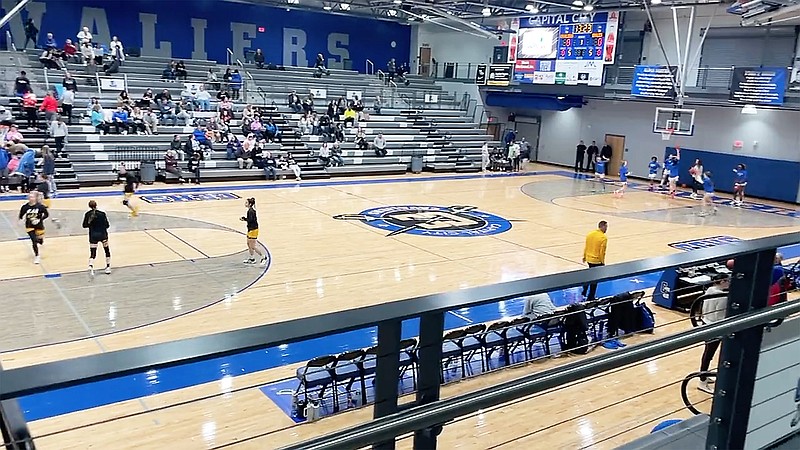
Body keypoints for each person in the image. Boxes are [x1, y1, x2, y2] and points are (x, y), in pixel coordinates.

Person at [697, 276, 729, 394]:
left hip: (706, 322)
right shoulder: (722, 297)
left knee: (707, 354)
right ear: (722, 281)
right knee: (709, 354)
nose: (729, 283)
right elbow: (720, 316)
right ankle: (702, 381)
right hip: (714, 327)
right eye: (727, 281)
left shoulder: (710, 289)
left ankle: (704, 376)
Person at [82, 200, 112, 277]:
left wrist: (91, 225)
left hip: (93, 236)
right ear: (96, 205)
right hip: (103, 235)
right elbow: (107, 225)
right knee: (107, 251)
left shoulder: (87, 214)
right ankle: (108, 267)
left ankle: (91, 265)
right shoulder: (102, 214)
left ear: (89, 206)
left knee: (93, 252)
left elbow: (84, 225)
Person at [581, 220, 608, 302]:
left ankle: (584, 291)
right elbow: (602, 252)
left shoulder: (590, 234)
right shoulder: (603, 238)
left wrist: (585, 256)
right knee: (595, 280)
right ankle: (591, 296)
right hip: (596, 260)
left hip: (589, 258)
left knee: (589, 275)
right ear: (602, 226)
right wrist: (602, 262)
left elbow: (586, 246)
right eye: (606, 227)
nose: (606, 229)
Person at [19, 191, 48, 264]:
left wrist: (39, 219)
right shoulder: (25, 207)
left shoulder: (40, 206)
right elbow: (21, 216)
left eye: (32, 197)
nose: (30, 198)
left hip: (39, 226)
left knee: (40, 241)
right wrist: (20, 221)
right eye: (29, 197)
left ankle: (39, 240)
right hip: (29, 226)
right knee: (34, 241)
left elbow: (46, 215)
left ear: (35, 198)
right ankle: (37, 256)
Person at [240, 198, 267, 266]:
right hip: (250, 229)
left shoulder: (251, 211)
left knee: (253, 246)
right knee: (248, 244)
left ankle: (263, 257)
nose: (245, 204)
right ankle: (252, 258)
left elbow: (250, 220)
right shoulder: (250, 210)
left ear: (250, 204)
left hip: (253, 230)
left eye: (246, 202)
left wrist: (244, 219)